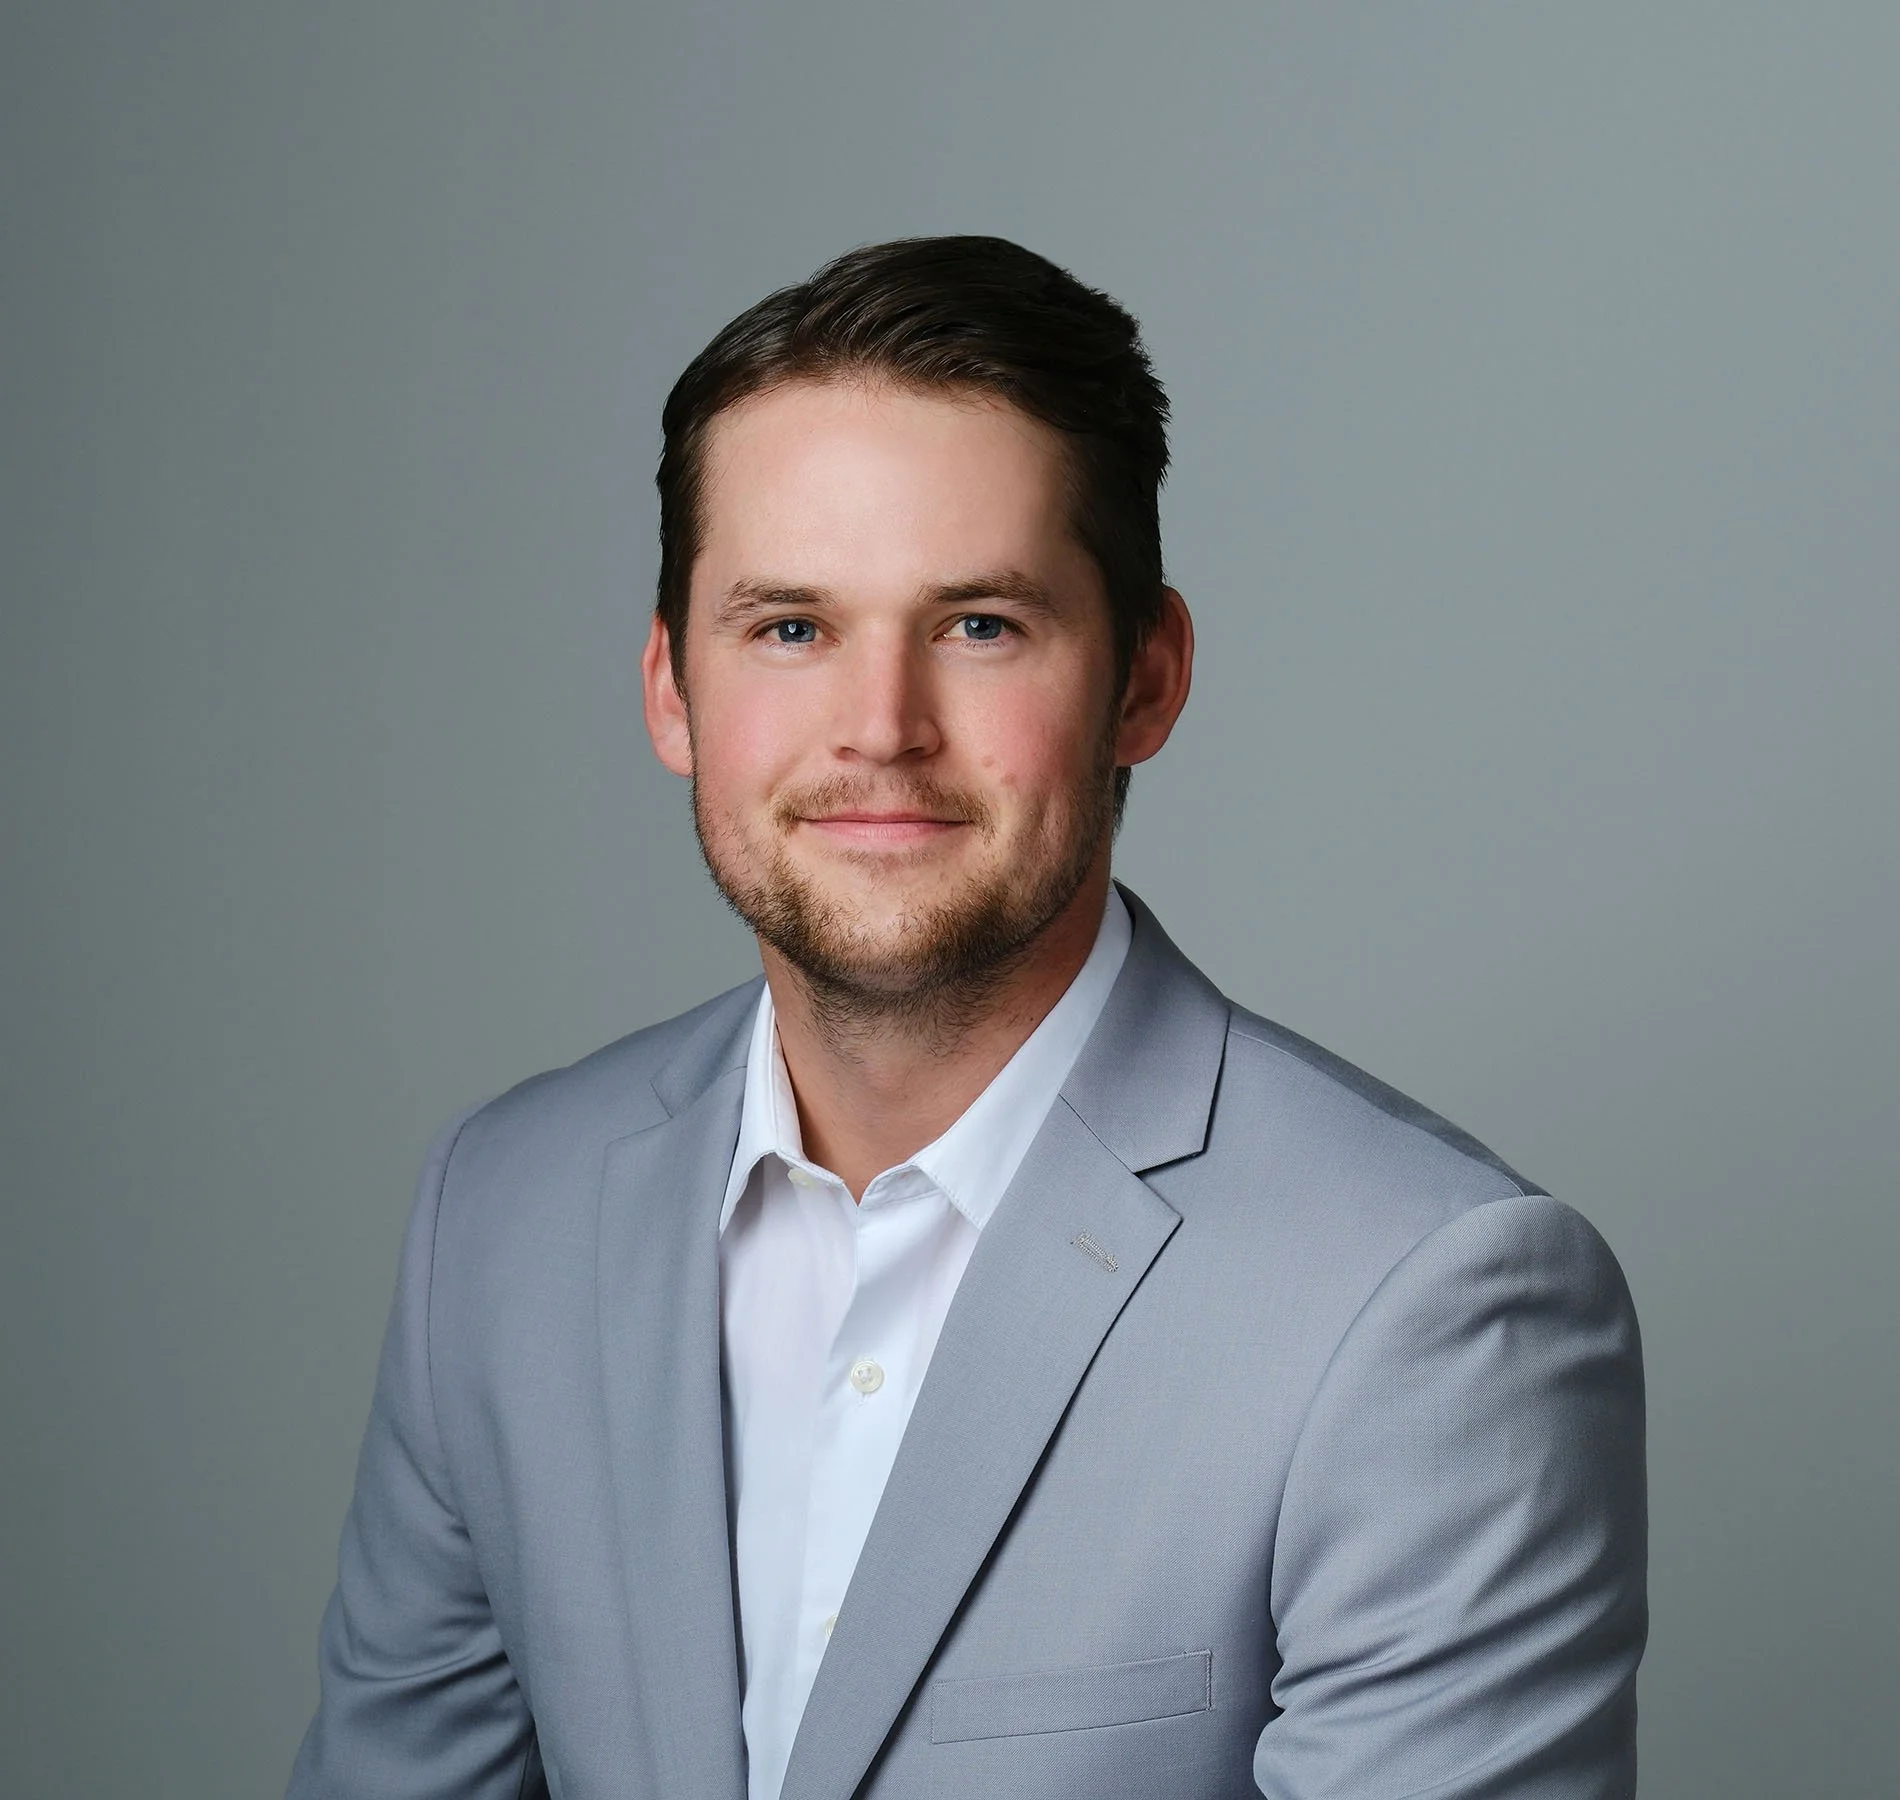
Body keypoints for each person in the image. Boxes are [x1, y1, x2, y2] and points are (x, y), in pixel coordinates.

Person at [288, 235, 1646, 1800]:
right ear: (672, 690)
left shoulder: (1428, 1309)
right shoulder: (499, 1218)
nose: (881, 731)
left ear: (1147, 679)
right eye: (789, 627)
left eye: (982, 625)